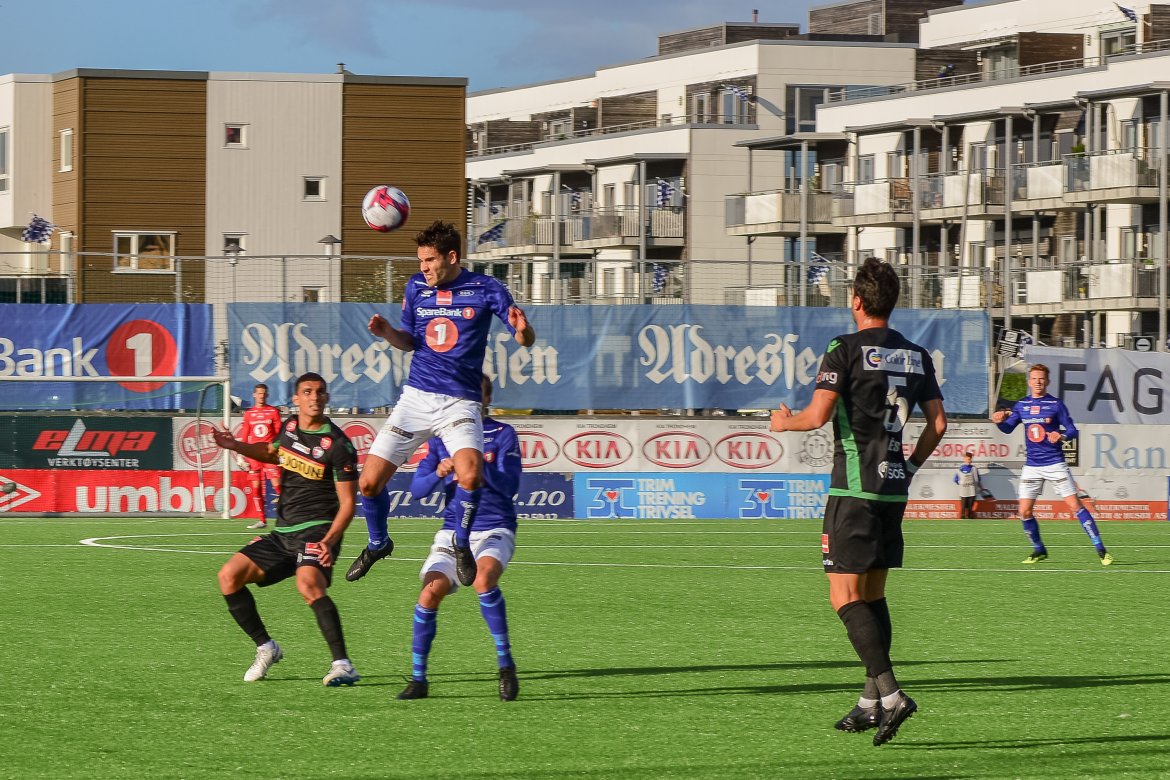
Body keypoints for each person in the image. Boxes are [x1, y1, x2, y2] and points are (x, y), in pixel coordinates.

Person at [769, 257, 947, 747]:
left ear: (857, 301)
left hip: (853, 490)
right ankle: (870, 702)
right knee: (872, 596)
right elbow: (938, 424)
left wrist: (783, 422)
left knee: (844, 597)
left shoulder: (842, 349)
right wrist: (909, 467)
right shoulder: (916, 354)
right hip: (893, 489)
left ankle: (891, 694)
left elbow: (816, 416)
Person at [347, 220, 534, 588]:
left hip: (460, 402)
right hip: (416, 398)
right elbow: (410, 341)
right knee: (368, 483)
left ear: (451, 257)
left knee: (471, 474)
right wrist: (388, 333)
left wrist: (523, 329)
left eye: (430, 260)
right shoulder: (415, 287)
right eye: (420, 260)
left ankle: (461, 543)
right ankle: (378, 543)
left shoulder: (486, 288)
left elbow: (524, 338)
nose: (424, 267)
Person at [212, 372, 362, 686]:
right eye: (307, 392)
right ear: (296, 398)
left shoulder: (339, 445)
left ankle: (343, 665)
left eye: (319, 392)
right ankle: (266, 647)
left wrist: (329, 540)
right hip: (283, 533)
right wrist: (234, 445)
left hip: (317, 531)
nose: (314, 397)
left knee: (308, 584)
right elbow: (271, 452)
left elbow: (348, 503)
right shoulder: (290, 427)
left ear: (327, 397)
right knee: (228, 577)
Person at [396, 376, 521, 702]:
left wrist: (474, 465)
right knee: (429, 593)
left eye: (477, 394)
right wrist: (439, 472)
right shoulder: (442, 438)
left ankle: (506, 666)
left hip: (494, 527)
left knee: (483, 580)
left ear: (487, 399)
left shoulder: (503, 433)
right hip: (453, 531)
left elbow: (510, 487)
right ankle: (419, 679)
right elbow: (417, 490)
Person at [991, 364, 1113, 566]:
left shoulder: (1055, 404)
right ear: (1029, 381)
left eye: (1041, 378)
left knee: (1075, 506)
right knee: (1024, 512)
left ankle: (1101, 549)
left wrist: (1061, 435)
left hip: (1055, 463)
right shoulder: (1021, 405)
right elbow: (1008, 429)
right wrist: (999, 421)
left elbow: (1073, 430)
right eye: (1034, 378)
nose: (1038, 382)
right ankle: (1039, 550)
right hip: (1032, 465)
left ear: (1047, 381)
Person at [239, 383, 283, 530]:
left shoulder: (273, 412)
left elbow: (279, 434)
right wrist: (241, 455)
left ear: (267, 395)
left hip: (269, 454)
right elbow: (245, 435)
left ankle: (290, 516)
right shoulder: (249, 414)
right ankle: (262, 520)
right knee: (256, 488)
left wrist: (279, 451)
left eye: (264, 393)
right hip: (254, 455)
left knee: (277, 486)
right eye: (259, 393)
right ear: (254, 395)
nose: (261, 396)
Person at [953, 451, 983, 519]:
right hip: (963, 492)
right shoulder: (959, 469)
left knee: (970, 508)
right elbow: (955, 479)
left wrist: (982, 487)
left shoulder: (974, 469)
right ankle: (963, 517)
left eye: (970, 459)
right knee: (963, 508)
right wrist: (961, 482)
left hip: (972, 492)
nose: (969, 460)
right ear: (964, 459)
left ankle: (970, 517)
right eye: (968, 459)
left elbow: (977, 480)